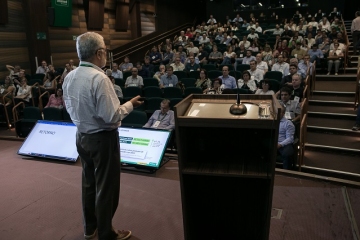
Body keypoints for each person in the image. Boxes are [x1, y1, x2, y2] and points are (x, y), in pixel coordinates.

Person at [62, 32, 143, 240]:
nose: (106, 54)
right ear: (99, 53)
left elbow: (69, 107)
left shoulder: (69, 76)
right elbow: (111, 116)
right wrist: (130, 105)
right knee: (107, 187)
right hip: (103, 139)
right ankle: (107, 233)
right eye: (105, 51)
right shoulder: (99, 78)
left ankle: (90, 229)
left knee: (89, 183)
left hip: (81, 137)